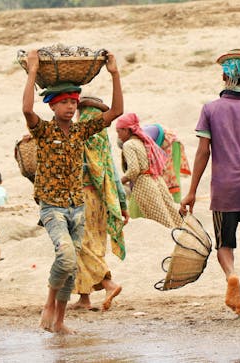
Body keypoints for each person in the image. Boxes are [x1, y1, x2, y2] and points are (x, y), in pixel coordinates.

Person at [22, 49, 123, 334]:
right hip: (52, 207)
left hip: (76, 207)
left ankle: (61, 321)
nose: (69, 106)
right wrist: (32, 72)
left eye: (72, 101)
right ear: (52, 107)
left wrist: (115, 73)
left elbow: (115, 113)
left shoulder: (80, 132)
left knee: (71, 268)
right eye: (63, 102)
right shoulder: (43, 131)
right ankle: (49, 305)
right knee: (66, 257)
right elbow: (27, 110)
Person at [180, 49, 240, 319]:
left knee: (225, 245)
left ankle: (232, 275)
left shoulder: (210, 109)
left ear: (223, 77)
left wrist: (191, 192)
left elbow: (203, 152)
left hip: (224, 189)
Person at [72, 96, 129, 312]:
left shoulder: (79, 137)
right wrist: (121, 204)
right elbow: (113, 173)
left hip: (82, 198)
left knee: (80, 245)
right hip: (103, 199)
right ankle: (84, 298)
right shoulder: (102, 139)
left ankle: (108, 284)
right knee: (94, 244)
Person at [116, 113, 183, 229]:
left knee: (162, 222)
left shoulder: (128, 145)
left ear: (127, 130)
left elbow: (133, 170)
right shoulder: (144, 141)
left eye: (118, 132)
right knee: (173, 216)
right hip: (157, 180)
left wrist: (118, 182)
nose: (118, 136)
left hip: (144, 185)